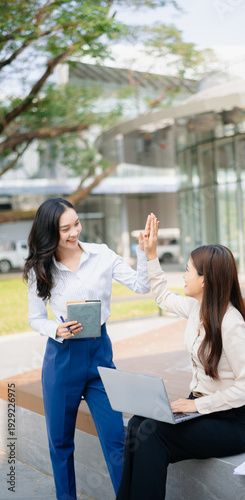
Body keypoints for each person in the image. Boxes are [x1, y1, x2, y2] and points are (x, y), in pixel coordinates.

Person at [116, 216, 245, 500]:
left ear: (204, 279)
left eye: (187, 270)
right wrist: (151, 254)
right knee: (136, 424)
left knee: (153, 433)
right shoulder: (197, 308)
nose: (183, 275)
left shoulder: (231, 324)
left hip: (231, 422)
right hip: (202, 408)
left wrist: (197, 406)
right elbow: (162, 297)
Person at [23, 198, 152, 500]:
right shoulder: (39, 268)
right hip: (62, 358)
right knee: (60, 443)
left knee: (116, 439)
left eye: (76, 224)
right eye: (64, 229)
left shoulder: (102, 255)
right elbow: (34, 318)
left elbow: (141, 286)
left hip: (99, 355)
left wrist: (143, 253)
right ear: (49, 232)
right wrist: (55, 328)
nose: (74, 232)